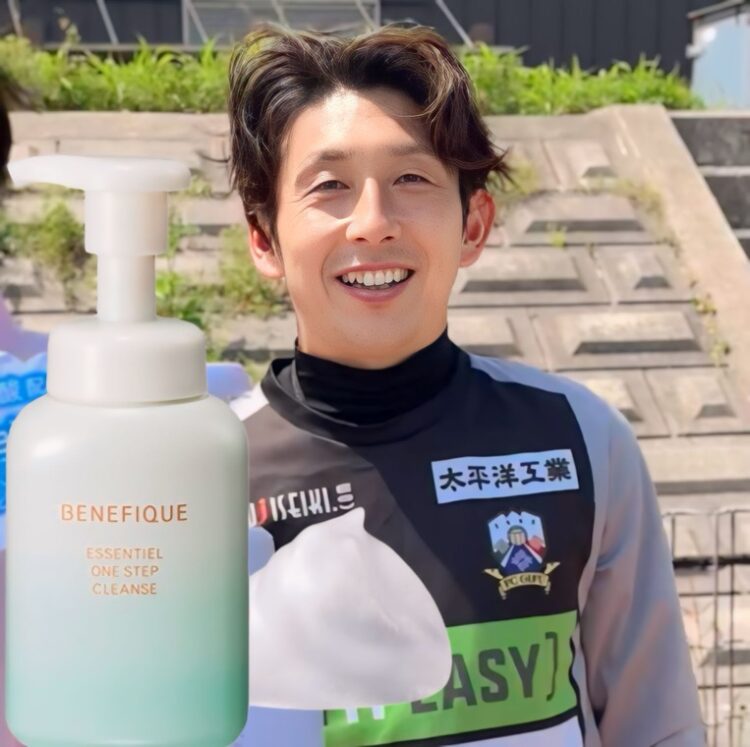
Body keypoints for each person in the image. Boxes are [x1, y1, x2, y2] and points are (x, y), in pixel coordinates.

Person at [228, 25, 705, 747]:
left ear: (473, 225)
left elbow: (657, 728)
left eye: (411, 179)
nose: (373, 223)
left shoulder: (582, 439)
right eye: (329, 186)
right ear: (264, 237)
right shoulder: (207, 473)